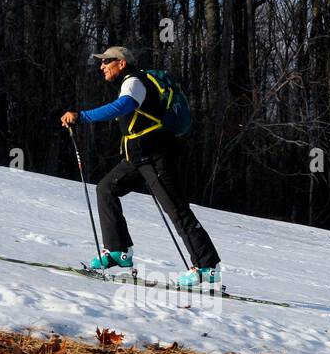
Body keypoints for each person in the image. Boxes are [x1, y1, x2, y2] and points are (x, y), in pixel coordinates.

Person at [60, 46, 221, 287]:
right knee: (106, 189)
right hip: (138, 158)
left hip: (155, 156)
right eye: (101, 63)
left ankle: (208, 266)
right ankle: (118, 251)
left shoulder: (134, 81)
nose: (102, 66)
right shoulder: (129, 81)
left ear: (121, 63)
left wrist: (82, 116)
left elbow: (123, 106)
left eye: (107, 62)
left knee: (176, 209)